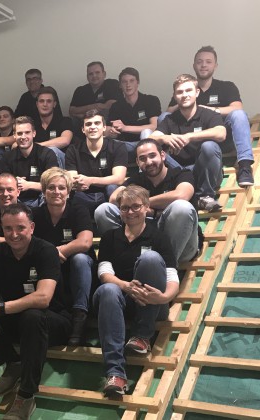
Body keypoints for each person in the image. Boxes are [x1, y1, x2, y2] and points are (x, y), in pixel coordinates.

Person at [0, 203, 70, 420]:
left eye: (20, 228)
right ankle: (13, 362)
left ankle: (26, 395)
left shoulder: (46, 250)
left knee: (32, 315)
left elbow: (43, 298)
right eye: (8, 228)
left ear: (32, 227)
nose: (14, 234)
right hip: (17, 319)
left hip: (53, 321)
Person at [92, 186, 179, 396]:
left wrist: (164, 297)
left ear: (147, 207)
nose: (130, 212)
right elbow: (104, 273)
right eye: (125, 208)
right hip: (120, 301)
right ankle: (115, 374)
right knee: (107, 289)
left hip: (152, 303)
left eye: (136, 206)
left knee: (150, 258)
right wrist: (126, 286)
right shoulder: (110, 237)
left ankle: (142, 335)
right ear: (120, 211)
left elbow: (172, 276)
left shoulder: (158, 237)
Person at [94, 139, 199, 265]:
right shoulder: (136, 181)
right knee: (104, 210)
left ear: (162, 155)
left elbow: (182, 195)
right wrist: (152, 211)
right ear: (137, 162)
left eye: (152, 156)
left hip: (181, 246)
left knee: (181, 207)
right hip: (144, 245)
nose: (149, 162)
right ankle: (122, 261)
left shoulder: (181, 174)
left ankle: (167, 265)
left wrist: (142, 204)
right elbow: (114, 199)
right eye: (142, 158)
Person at [166, 46, 254, 187]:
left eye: (208, 61)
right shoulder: (187, 89)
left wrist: (212, 110)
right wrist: (188, 99)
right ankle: (168, 166)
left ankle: (245, 167)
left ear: (215, 65)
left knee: (239, 115)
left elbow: (237, 107)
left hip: (222, 138)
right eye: (199, 62)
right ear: (194, 65)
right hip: (194, 142)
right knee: (164, 117)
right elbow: (169, 111)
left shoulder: (226, 86)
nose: (203, 65)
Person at [33, 168, 95, 346]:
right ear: (44, 191)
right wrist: (52, 256)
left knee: (79, 258)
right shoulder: (36, 214)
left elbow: (85, 242)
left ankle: (79, 316)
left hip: (80, 267)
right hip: (52, 269)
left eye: (61, 188)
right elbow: (30, 245)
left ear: (68, 191)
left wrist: (54, 252)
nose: (56, 192)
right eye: (51, 187)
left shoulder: (78, 210)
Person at [150, 74, 226, 212]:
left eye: (188, 90)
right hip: (181, 173)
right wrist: (165, 138)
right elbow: (151, 138)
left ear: (197, 92)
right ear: (175, 96)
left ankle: (205, 196)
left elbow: (221, 133)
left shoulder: (208, 114)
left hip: (206, 172)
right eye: (180, 92)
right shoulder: (170, 120)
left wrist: (189, 137)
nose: (184, 95)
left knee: (209, 146)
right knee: (154, 149)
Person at [65, 110, 128, 214]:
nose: (92, 127)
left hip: (108, 195)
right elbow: (73, 180)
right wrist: (81, 182)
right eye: (88, 124)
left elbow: (119, 178)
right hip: (83, 195)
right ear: (83, 129)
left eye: (97, 123)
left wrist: (90, 180)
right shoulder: (73, 150)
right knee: (70, 193)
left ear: (104, 127)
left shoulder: (118, 147)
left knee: (112, 187)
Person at [2, 116, 59, 208]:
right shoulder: (7, 157)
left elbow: (54, 185)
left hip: (40, 199)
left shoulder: (47, 154)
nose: (23, 137)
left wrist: (28, 185)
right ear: (14, 135)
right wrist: (13, 183)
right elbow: (3, 184)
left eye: (27, 132)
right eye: (19, 133)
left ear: (34, 133)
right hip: (16, 200)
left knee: (48, 194)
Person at [106, 67, 161, 152]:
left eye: (131, 81)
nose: (128, 85)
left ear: (137, 82)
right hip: (125, 145)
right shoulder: (116, 106)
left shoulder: (151, 100)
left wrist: (125, 128)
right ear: (120, 85)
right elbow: (109, 129)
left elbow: (154, 127)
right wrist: (111, 131)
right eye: (124, 82)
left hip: (146, 143)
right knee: (109, 143)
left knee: (146, 132)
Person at [33, 86, 72, 168]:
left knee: (53, 150)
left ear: (54, 104)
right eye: (41, 101)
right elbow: (17, 143)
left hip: (61, 165)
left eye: (49, 101)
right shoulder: (32, 124)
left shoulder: (65, 121)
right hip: (37, 162)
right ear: (37, 104)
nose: (45, 104)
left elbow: (65, 140)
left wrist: (36, 147)